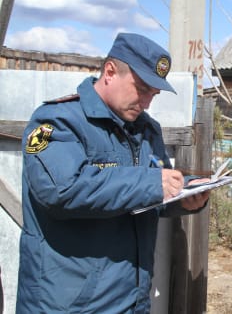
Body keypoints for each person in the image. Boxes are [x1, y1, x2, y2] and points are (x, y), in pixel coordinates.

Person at [16, 33, 210, 313]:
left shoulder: (146, 129)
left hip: (131, 299)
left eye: (153, 95)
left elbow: (147, 194)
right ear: (109, 72)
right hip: (66, 303)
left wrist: (184, 193)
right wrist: (152, 183)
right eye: (142, 89)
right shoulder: (56, 122)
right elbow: (60, 190)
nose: (146, 102)